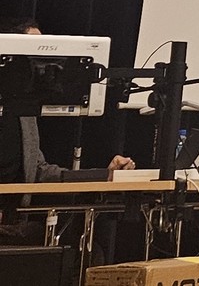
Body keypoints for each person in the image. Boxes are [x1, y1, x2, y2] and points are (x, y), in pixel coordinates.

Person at [0, 18, 135, 246]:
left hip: (12, 225)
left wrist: (104, 174)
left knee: (82, 252)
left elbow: (39, 171)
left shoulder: (25, 112)